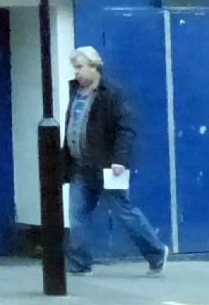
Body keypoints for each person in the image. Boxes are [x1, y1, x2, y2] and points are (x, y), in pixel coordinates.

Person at [62, 45, 168, 276]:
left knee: (123, 211)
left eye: (80, 67)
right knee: (77, 215)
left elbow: (126, 129)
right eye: (74, 68)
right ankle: (79, 263)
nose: (77, 73)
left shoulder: (113, 94)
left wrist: (120, 159)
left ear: (94, 67)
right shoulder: (75, 93)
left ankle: (156, 252)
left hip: (108, 165)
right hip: (80, 166)